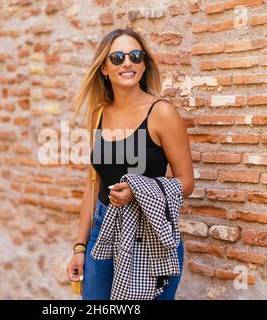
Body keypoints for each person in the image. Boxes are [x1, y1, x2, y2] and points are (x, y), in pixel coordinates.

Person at [66, 28, 195, 300]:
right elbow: (93, 185)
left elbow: (186, 182)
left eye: (136, 55)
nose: (128, 63)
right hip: (103, 234)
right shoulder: (99, 114)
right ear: (103, 67)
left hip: (151, 235)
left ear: (144, 63)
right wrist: (80, 247)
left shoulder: (161, 113)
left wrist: (138, 189)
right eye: (117, 58)